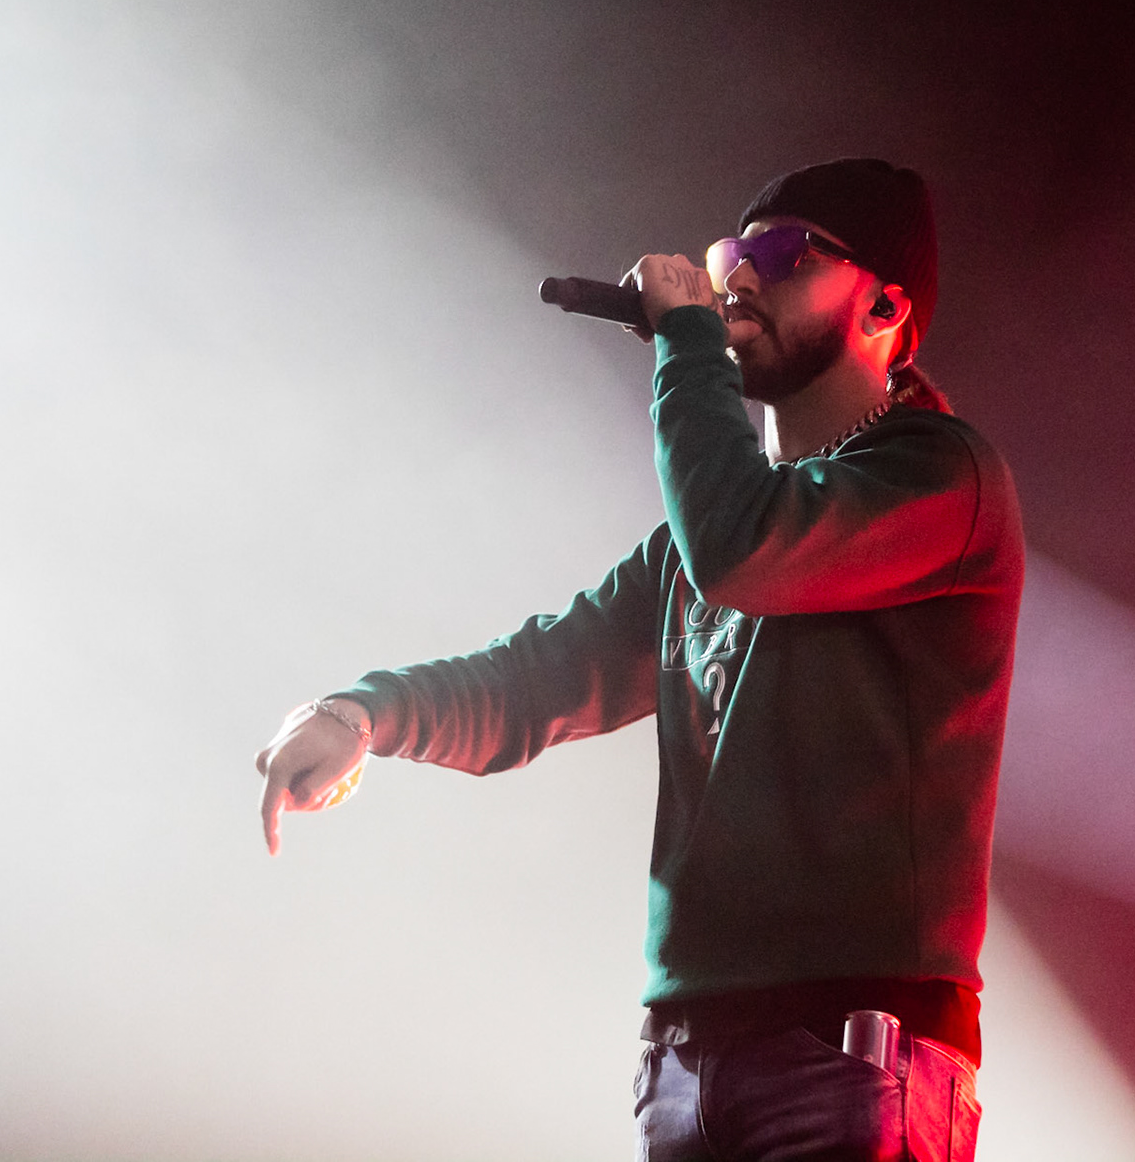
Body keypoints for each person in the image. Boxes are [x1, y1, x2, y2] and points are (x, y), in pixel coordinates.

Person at [255, 158, 1023, 1161]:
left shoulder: (943, 477)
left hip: (851, 1058)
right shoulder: (702, 545)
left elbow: (742, 542)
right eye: (729, 258)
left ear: (884, 304)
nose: (740, 277)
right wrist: (359, 712)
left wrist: (689, 341)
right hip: (687, 1064)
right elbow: (537, 677)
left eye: (784, 254)